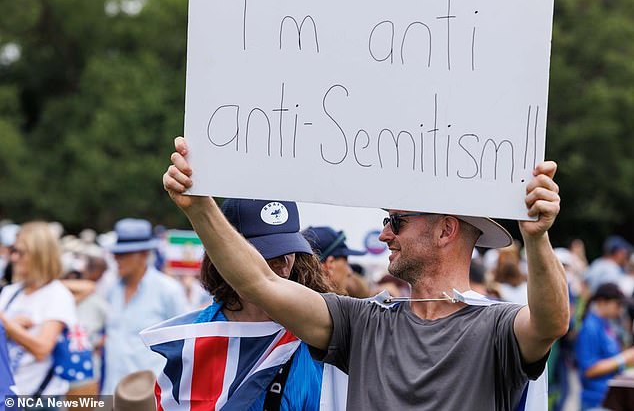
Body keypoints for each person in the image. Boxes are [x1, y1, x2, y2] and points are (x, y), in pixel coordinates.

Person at [163, 137, 569, 410]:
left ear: (446, 230)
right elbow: (261, 283)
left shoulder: (496, 327)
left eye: (397, 220)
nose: (384, 233)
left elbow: (552, 321)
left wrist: (536, 238)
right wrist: (199, 208)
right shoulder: (363, 321)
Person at [182, 198, 338, 410]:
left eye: (288, 249)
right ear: (226, 254)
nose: (283, 264)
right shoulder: (198, 341)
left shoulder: (320, 329)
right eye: (269, 253)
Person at [101, 218, 187, 394]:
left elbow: (185, 345)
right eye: (116, 253)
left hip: (149, 396)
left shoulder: (168, 290)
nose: (116, 258)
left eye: (123, 254)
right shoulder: (112, 289)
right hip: (113, 392)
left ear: (144, 254)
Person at [0, 221, 77, 397]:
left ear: (39, 255)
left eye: (20, 252)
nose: (14, 258)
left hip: (39, 399)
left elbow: (42, 349)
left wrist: (7, 325)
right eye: (13, 251)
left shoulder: (57, 295)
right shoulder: (11, 291)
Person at [574, 282, 634, 410]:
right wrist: (623, 358)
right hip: (596, 401)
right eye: (618, 304)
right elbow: (589, 370)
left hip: (609, 399)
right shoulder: (590, 327)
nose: (620, 309)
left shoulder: (605, 323)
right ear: (602, 302)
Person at [303, 226, 365, 294]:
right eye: (345, 263)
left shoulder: (294, 299)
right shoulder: (327, 304)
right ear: (330, 264)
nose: (349, 272)